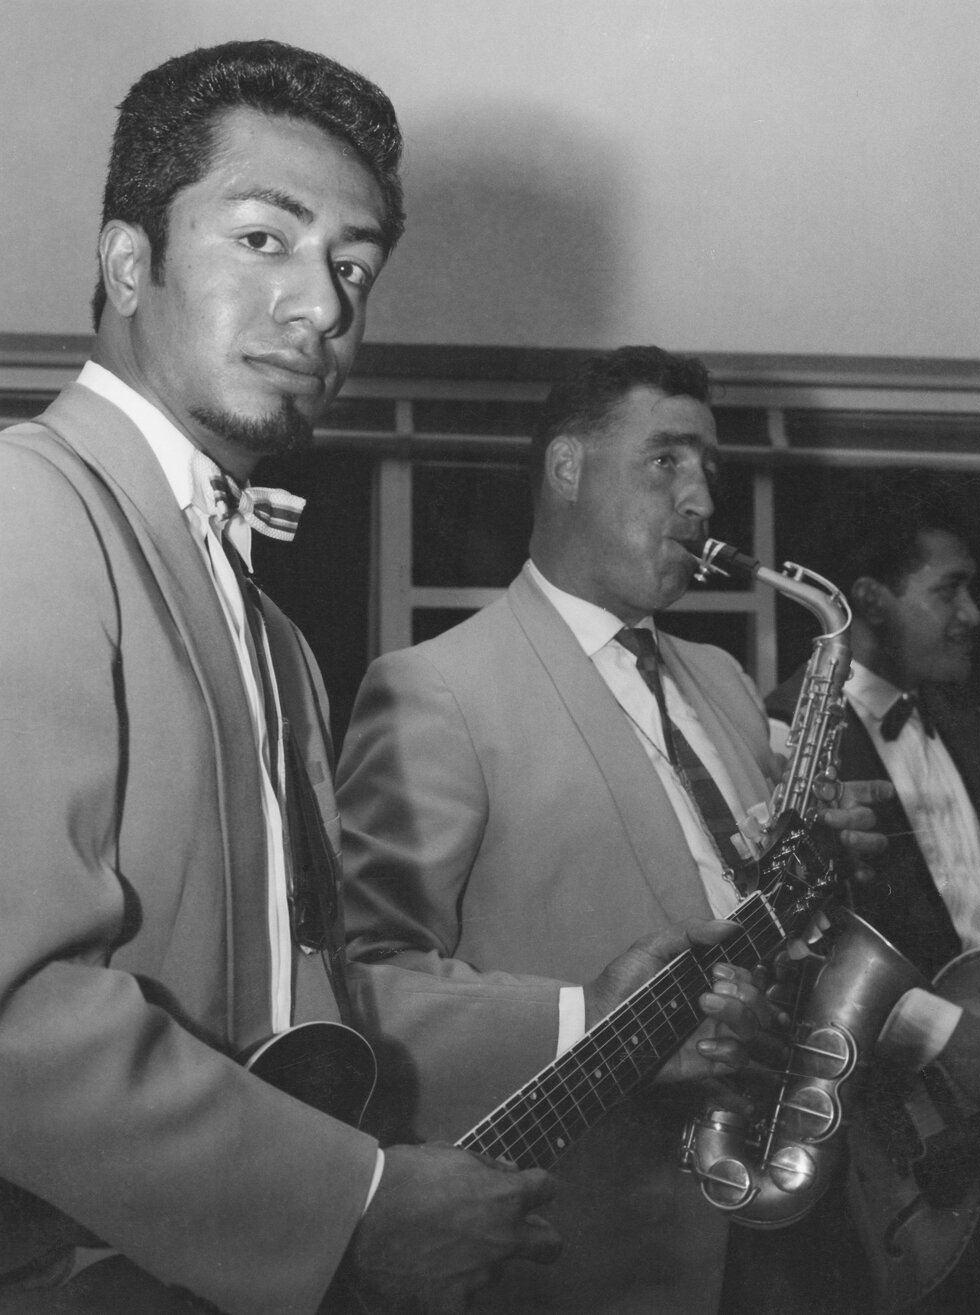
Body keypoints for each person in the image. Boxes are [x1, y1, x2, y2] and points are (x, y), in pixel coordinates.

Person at [0, 39, 574, 1315]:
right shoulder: (25, 510)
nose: (325, 306)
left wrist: (600, 1017)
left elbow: (301, 1001)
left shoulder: (275, 634)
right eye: (266, 237)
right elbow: (15, 1011)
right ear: (127, 258)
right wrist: (355, 1203)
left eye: (352, 266)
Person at [336, 345, 889, 1315]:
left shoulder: (720, 675)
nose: (703, 500)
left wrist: (816, 862)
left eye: (709, 469)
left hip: (780, 1225)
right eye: (667, 460)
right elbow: (369, 974)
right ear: (566, 467)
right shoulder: (436, 689)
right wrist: (595, 1025)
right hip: (593, 1242)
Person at [766, 492, 980, 1313]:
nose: (972, 613)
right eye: (949, 590)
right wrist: (951, 1038)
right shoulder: (781, 736)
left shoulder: (977, 731)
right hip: (897, 1139)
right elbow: (801, 955)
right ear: (866, 598)